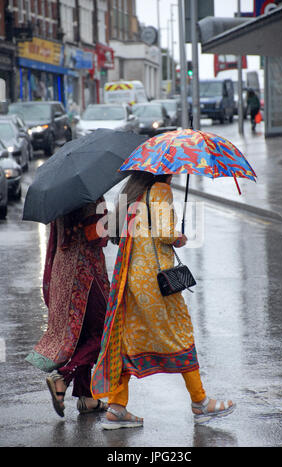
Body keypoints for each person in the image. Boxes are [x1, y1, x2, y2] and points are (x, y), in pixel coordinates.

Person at [90, 172, 236, 429]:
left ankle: (116, 407)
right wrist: (181, 237)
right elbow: (165, 234)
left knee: (128, 337)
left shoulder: (133, 192)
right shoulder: (160, 190)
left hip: (130, 278)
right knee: (179, 332)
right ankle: (200, 402)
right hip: (155, 281)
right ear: (163, 170)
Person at [25, 199, 110, 417]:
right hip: (86, 273)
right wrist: (111, 221)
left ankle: (87, 397)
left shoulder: (60, 200)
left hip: (63, 269)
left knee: (82, 334)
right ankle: (63, 377)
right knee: (101, 332)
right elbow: (95, 235)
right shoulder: (91, 198)